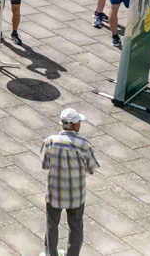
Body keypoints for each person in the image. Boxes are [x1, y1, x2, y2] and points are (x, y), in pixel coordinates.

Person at [40, 108, 98, 256]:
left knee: (52, 225)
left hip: (54, 193)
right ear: (73, 125)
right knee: (76, 227)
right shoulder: (84, 144)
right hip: (76, 195)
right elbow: (91, 169)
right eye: (79, 122)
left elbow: (45, 164)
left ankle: (50, 254)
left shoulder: (50, 141)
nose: (80, 124)